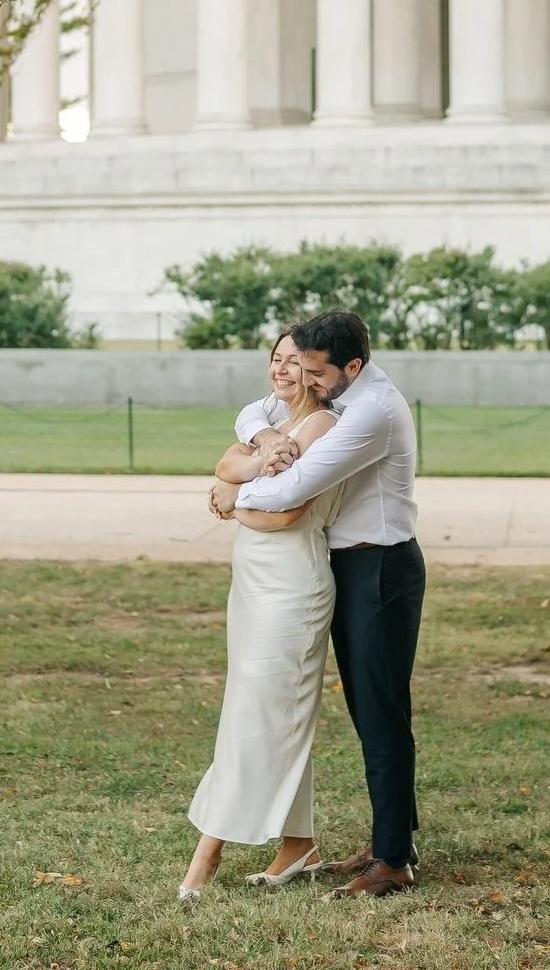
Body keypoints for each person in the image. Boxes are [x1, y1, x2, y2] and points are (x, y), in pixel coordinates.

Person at [211, 309, 424, 899]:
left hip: (380, 567)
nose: (304, 382)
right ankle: (393, 840)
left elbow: (291, 491)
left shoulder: (372, 412)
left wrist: (232, 490)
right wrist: (265, 439)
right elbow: (256, 410)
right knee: (370, 708)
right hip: (347, 565)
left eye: (315, 373)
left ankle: (392, 863)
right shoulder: (336, 389)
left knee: (380, 712)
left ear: (351, 366)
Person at [179, 333, 342, 899]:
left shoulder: (321, 426)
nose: (282, 369)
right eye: (276, 358)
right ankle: (300, 844)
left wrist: (233, 500)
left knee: (258, 712)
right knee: (271, 711)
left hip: (293, 585)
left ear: (317, 370)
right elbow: (225, 463)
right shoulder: (270, 419)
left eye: (295, 362)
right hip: (251, 581)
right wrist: (251, 466)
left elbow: (288, 513)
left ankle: (207, 853)